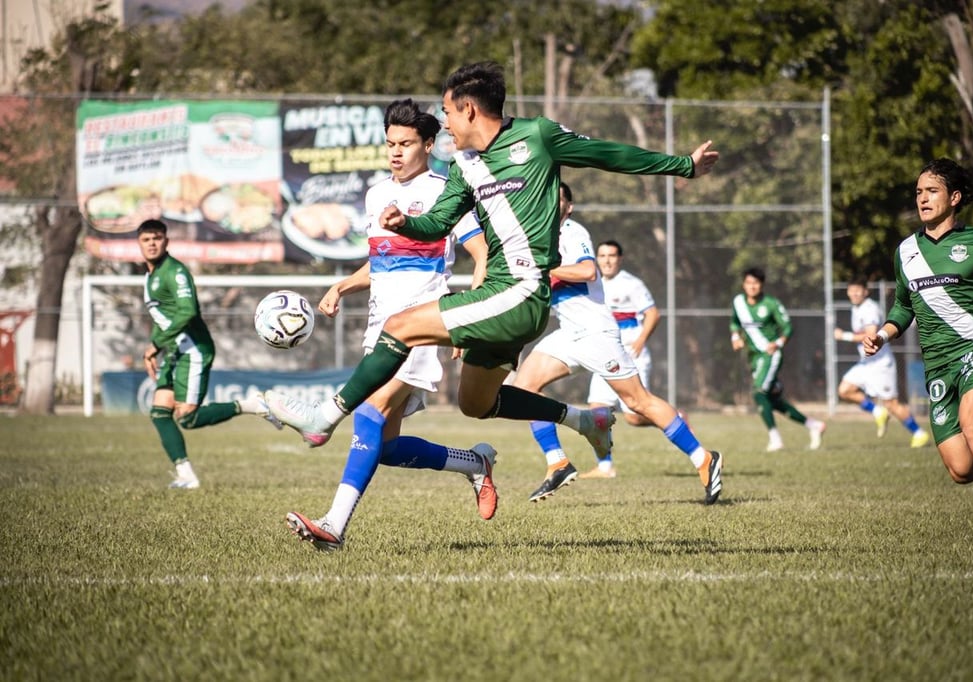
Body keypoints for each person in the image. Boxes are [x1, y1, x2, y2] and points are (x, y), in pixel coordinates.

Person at [265, 61, 720, 513]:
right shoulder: (463, 166)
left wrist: (684, 166)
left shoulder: (537, 136)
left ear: (468, 110)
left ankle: (324, 418)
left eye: (447, 112)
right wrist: (407, 223)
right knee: (476, 404)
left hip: (522, 291)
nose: (444, 123)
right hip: (502, 299)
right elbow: (437, 222)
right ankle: (586, 421)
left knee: (400, 327)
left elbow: (608, 154)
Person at [283, 99, 496, 552]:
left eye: (405, 144)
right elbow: (382, 262)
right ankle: (475, 463)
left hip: (420, 325)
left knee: (369, 412)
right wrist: (342, 286)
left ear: (428, 144)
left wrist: (466, 319)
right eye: (390, 144)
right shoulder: (376, 195)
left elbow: (482, 256)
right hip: (380, 328)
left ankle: (334, 526)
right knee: (385, 445)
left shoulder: (447, 191)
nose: (395, 152)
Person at [513, 183, 722, 505]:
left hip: (596, 333)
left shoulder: (571, 231)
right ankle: (558, 461)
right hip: (569, 333)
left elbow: (588, 270)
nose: (551, 203)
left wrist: (544, 268)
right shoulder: (539, 238)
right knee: (523, 389)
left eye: (559, 199)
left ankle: (703, 458)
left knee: (638, 403)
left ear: (569, 207)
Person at [863, 158, 973, 544]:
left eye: (931, 191)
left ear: (954, 198)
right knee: (962, 469)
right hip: (937, 366)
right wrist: (882, 335)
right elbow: (903, 308)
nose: (922, 198)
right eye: (918, 192)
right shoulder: (905, 251)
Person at [137, 219, 282, 490]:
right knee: (159, 412)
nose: (152, 243)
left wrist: (156, 344)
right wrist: (154, 348)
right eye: (146, 239)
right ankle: (185, 475)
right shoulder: (150, 276)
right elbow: (161, 317)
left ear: (166, 241)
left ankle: (251, 405)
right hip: (175, 350)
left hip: (193, 349)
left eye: (157, 238)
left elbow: (187, 311)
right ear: (139, 243)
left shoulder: (175, 271)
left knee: (187, 418)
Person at [579, 238, 661, 478]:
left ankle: (674, 419)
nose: (607, 261)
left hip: (630, 356)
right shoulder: (592, 283)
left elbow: (653, 314)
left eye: (612, 256)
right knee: (597, 413)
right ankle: (605, 466)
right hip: (604, 355)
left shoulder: (631, 284)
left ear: (620, 259)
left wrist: (641, 340)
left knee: (634, 417)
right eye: (602, 256)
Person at [730, 267, 826, 451]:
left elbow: (788, 327)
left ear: (762, 285)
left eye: (756, 283)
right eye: (749, 283)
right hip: (754, 358)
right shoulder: (739, 302)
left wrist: (778, 343)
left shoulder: (771, 304)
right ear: (743, 284)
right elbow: (734, 322)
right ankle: (813, 425)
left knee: (758, 392)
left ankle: (775, 439)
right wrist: (735, 337)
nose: (752, 287)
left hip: (770, 355)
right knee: (771, 400)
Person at [834, 278, 930, 447]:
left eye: (858, 290)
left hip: (880, 364)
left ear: (865, 291)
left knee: (891, 404)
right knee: (844, 390)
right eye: (851, 290)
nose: (854, 293)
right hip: (866, 363)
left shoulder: (870, 309)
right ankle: (878, 411)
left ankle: (919, 433)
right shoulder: (857, 308)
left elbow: (870, 335)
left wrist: (844, 336)